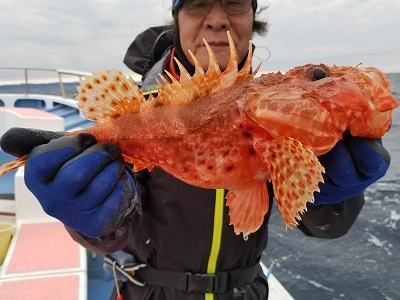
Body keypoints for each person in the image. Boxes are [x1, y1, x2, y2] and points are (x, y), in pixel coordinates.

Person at [0, 0, 392, 299]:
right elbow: (111, 241)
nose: (217, 18)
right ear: (178, 20)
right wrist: (90, 220)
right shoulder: (140, 107)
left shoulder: (283, 112)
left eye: (235, 3)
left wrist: (332, 201)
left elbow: (322, 228)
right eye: (199, 3)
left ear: (253, 20)